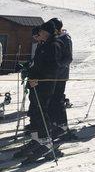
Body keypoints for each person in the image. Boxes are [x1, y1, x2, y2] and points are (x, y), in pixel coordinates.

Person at [14, 21, 64, 161]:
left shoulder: (54, 45)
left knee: (41, 112)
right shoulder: (43, 45)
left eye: (41, 31)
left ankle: (47, 142)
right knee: (34, 111)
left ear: (46, 32)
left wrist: (38, 78)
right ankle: (37, 139)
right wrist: (28, 70)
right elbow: (37, 64)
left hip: (44, 85)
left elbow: (53, 68)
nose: (39, 33)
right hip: (35, 83)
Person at [48, 18, 73, 139]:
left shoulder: (65, 38)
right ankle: (54, 124)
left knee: (58, 99)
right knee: (52, 100)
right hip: (53, 75)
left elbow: (68, 58)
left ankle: (62, 125)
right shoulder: (55, 38)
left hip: (61, 75)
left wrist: (57, 66)